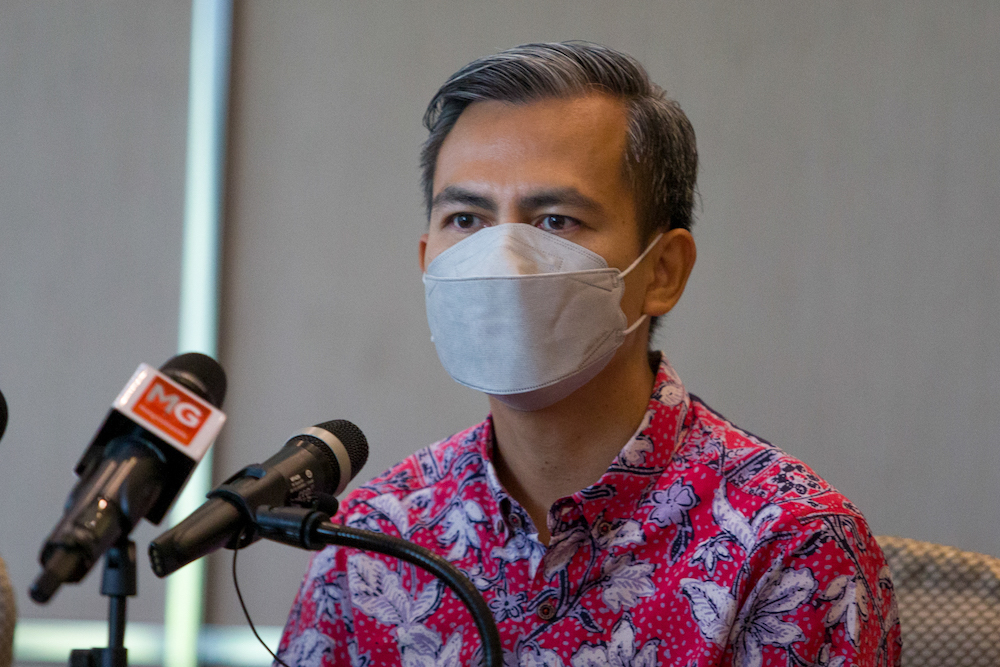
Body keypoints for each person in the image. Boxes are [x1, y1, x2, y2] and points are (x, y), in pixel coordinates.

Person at [277, 42, 901, 667]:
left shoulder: (787, 546)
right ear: (426, 264)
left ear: (662, 271)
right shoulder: (372, 539)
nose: (502, 262)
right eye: (467, 220)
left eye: (555, 221)